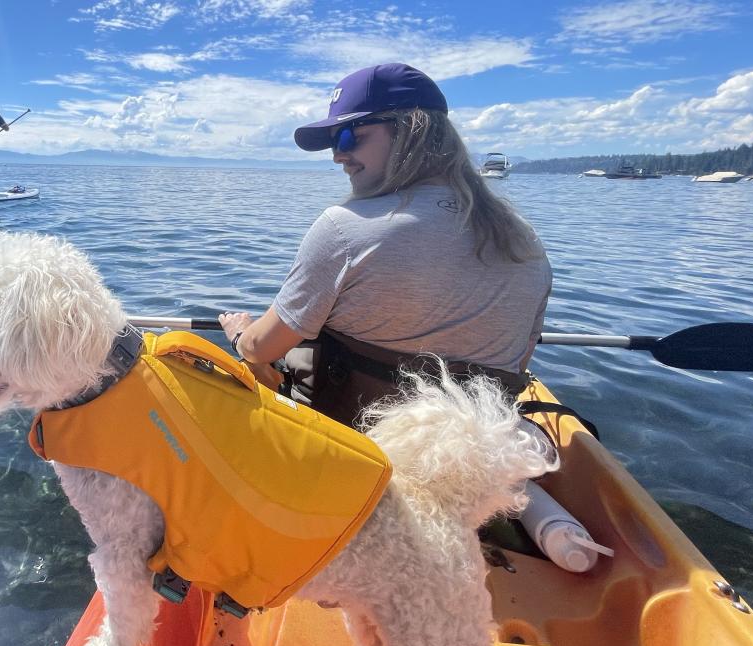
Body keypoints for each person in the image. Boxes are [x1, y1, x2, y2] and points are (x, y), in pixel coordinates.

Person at [218, 63, 553, 426]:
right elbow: (518, 363)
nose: (337, 155)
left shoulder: (344, 228)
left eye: (348, 136)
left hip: (348, 445)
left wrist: (239, 333)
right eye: (334, 143)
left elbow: (261, 348)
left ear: (411, 129)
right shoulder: (525, 241)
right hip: (476, 449)